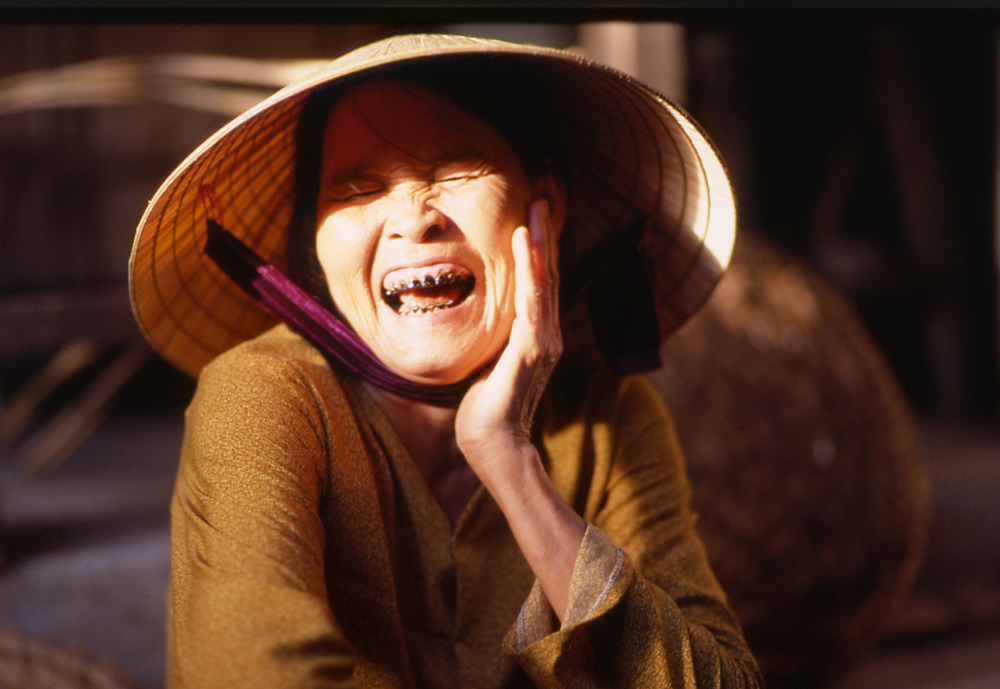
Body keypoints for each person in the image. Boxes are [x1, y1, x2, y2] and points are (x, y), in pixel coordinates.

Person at [129, 33, 762, 689]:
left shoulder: (607, 416)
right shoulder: (258, 398)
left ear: (545, 205)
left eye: (454, 171)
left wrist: (512, 464)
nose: (412, 219)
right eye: (356, 189)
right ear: (315, 244)